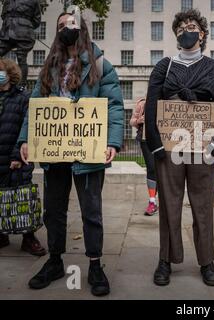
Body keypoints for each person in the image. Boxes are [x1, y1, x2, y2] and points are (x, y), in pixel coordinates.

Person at [17, 12, 124, 296]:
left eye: (71, 24)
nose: (66, 28)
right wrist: (26, 140)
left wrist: (112, 142)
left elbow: (114, 106)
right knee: (54, 211)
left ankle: (95, 265)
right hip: (54, 152)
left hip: (88, 153)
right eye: (60, 26)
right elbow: (35, 108)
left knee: (91, 211)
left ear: (82, 29)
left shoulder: (101, 65)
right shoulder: (48, 68)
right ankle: (54, 261)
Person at [145, 9, 214, 287]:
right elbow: (151, 105)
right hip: (170, 147)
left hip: (202, 147)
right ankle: (165, 260)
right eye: (181, 28)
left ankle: (207, 261)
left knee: (202, 206)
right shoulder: (164, 67)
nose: (186, 31)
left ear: (202, 34)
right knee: (169, 205)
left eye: (192, 27)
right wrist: (156, 144)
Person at [0, 58, 46, 256]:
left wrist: (17, 155)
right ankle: (2, 234)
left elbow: (27, 129)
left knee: (24, 198)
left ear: (10, 74)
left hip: (18, 157)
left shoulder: (23, 97)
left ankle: (29, 238)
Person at [0, 0, 41, 87]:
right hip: (7, 32)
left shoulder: (34, 1)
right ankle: (14, 84)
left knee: (21, 58)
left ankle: (21, 86)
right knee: (21, 58)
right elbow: (3, 15)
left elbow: (36, 20)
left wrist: (24, 24)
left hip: (23, 33)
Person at [130, 97, 158, 216]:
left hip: (166, 141)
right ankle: (152, 202)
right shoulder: (143, 103)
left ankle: (167, 201)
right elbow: (131, 121)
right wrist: (138, 120)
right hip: (145, 139)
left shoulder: (168, 100)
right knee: (151, 168)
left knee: (164, 170)